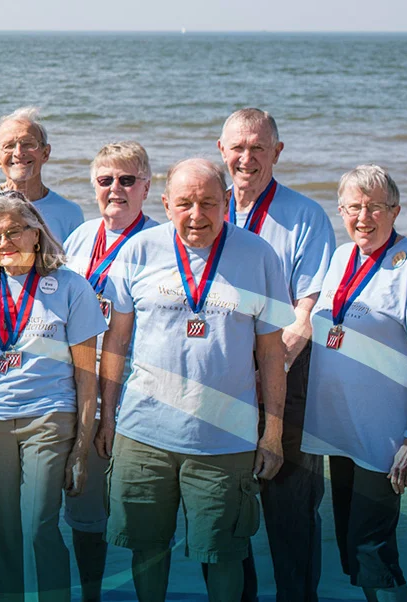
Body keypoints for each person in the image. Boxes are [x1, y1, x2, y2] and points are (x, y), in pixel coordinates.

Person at [98, 158, 289, 602]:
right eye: (185, 204)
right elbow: (116, 342)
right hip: (144, 433)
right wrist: (107, 418)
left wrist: (273, 433)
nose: (197, 215)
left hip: (224, 439)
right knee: (145, 550)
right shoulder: (139, 250)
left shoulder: (258, 255)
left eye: (208, 203)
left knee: (223, 554)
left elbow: (272, 351)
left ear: (227, 202)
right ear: (166, 204)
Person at [0, 193, 107, 602]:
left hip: (50, 417)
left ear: (36, 234)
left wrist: (82, 449)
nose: (4, 243)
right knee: (1, 531)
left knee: (39, 524)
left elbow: (86, 377)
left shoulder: (71, 285)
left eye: (13, 232)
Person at [303, 165, 407, 602]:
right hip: (343, 434)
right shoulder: (341, 257)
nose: (363, 217)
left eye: (375, 207)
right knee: (356, 551)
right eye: (353, 207)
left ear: (395, 211)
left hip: (384, 439)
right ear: (341, 211)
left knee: (375, 551)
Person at [215, 108, 337, 602]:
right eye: (237, 148)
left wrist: (268, 372)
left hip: (288, 376)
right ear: (221, 150)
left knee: (290, 511)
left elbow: (307, 314)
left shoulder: (305, 216)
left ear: (277, 153)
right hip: (221, 376)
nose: (247, 158)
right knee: (223, 507)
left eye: (258, 148)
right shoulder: (204, 207)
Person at [60, 141, 159, 602]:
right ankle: (92, 595)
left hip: (137, 394)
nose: (115, 189)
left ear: (146, 186)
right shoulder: (80, 238)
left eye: (127, 180)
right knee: (84, 507)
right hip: (79, 387)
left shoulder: (160, 244)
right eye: (105, 180)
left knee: (142, 511)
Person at [0, 107, 85, 239]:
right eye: (9, 146)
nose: (19, 153)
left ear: (45, 153)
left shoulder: (69, 213)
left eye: (28, 144)